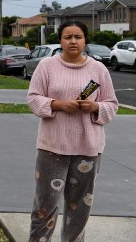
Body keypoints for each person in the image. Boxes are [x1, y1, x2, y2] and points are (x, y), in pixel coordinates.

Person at [27, 20, 118, 242]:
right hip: (52, 146)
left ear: (85, 40)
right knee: (45, 204)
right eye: (68, 37)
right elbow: (33, 98)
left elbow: (112, 104)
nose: (73, 41)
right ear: (60, 40)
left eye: (78, 37)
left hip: (87, 148)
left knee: (80, 207)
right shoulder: (46, 66)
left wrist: (96, 106)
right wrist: (57, 104)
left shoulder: (98, 69)